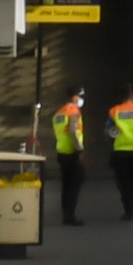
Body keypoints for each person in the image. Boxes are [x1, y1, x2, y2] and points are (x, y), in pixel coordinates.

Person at [107, 89, 133, 219]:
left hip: (120, 150)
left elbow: (109, 130)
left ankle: (127, 209)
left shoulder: (114, 111)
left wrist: (116, 136)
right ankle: (132, 207)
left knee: (123, 182)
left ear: (122, 97)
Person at [51, 91, 88, 225]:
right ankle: (70, 215)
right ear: (74, 97)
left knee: (66, 185)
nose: (81, 99)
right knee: (75, 184)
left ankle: (66, 213)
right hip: (72, 153)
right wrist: (80, 150)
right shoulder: (74, 111)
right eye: (80, 96)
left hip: (62, 152)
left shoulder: (59, 113)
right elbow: (73, 132)